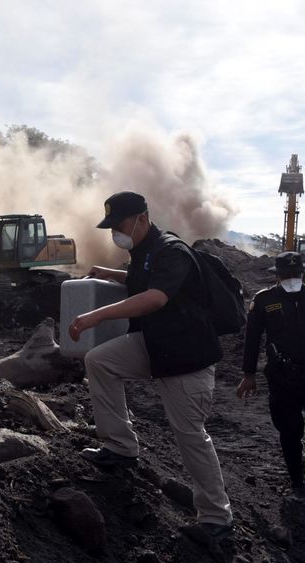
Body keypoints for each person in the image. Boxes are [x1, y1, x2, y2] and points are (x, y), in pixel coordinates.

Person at [68, 191, 233, 542]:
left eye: (121, 225)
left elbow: (155, 297)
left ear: (142, 218)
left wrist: (94, 316)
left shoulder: (172, 250)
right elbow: (139, 279)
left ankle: (217, 519)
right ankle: (120, 447)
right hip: (157, 346)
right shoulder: (143, 252)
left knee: (189, 437)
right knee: (100, 361)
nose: (116, 233)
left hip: (187, 358)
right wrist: (109, 273)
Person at [238, 251, 305, 497]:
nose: (291, 278)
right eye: (286, 274)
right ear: (277, 276)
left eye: (295, 273)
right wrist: (249, 373)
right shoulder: (265, 300)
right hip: (283, 378)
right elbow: (252, 340)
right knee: (289, 430)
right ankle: (297, 482)